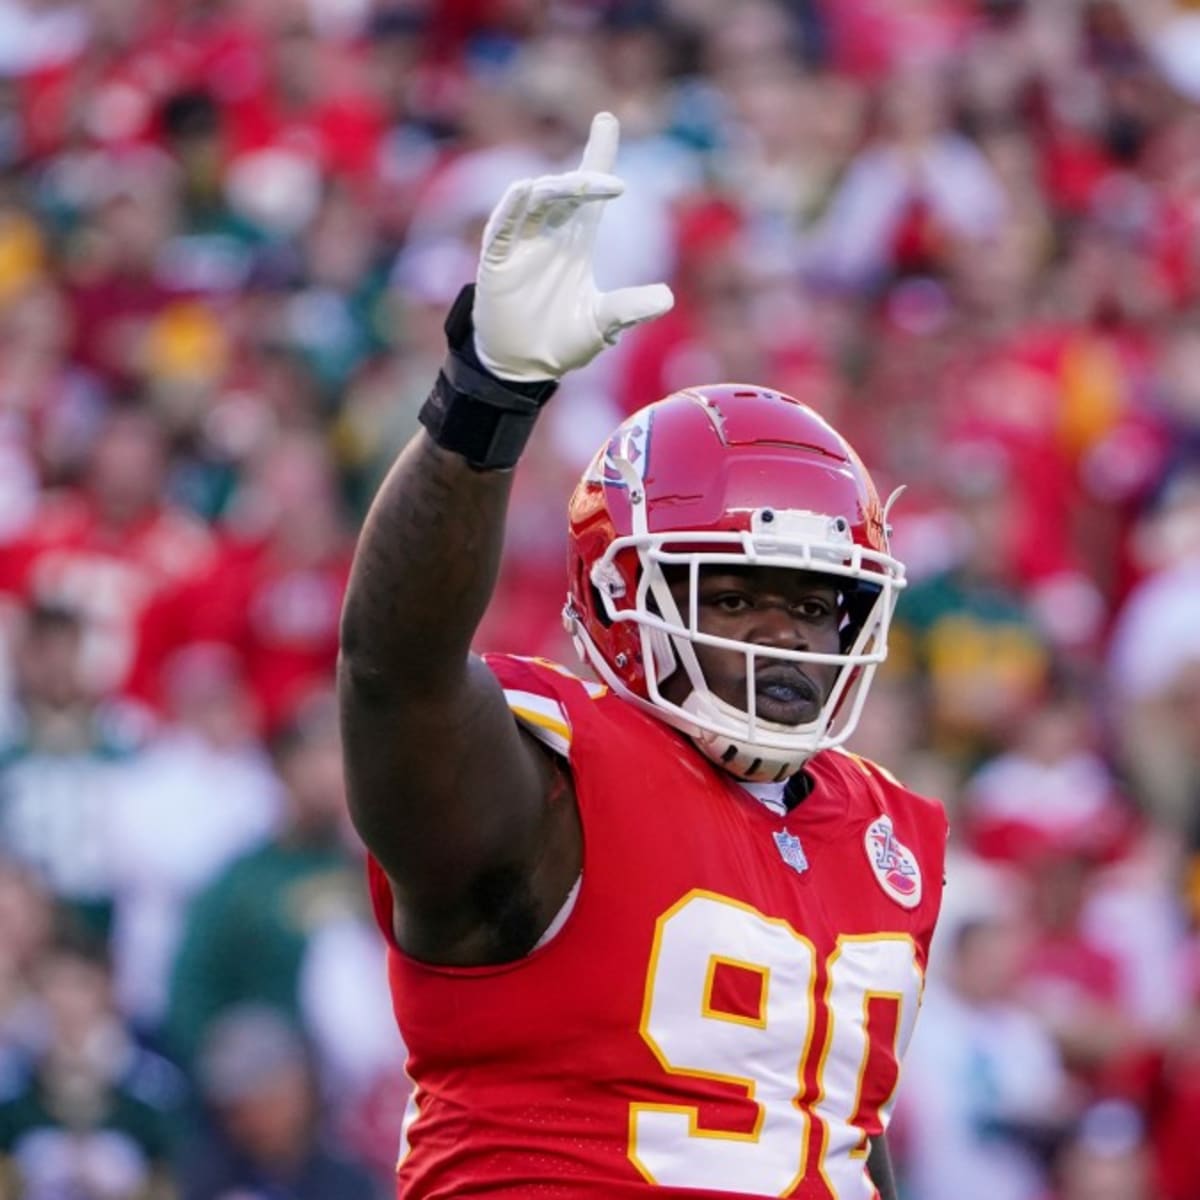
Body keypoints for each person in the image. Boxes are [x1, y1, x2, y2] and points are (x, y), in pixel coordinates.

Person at [338, 112, 948, 1199]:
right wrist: (486, 398)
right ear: (625, 593)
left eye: (818, 605)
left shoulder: (888, 831)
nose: (784, 634)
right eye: (740, 593)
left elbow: (827, 1131)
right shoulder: (551, 786)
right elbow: (395, 673)